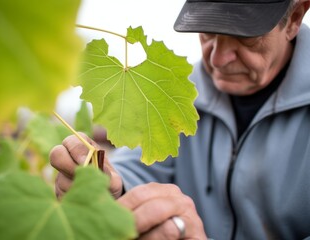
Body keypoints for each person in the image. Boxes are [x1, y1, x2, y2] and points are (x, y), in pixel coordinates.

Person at [50, 0, 310, 239]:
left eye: (245, 37)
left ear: (295, 19)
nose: (217, 59)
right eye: (207, 33)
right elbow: (139, 166)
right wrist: (111, 186)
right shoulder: (179, 95)